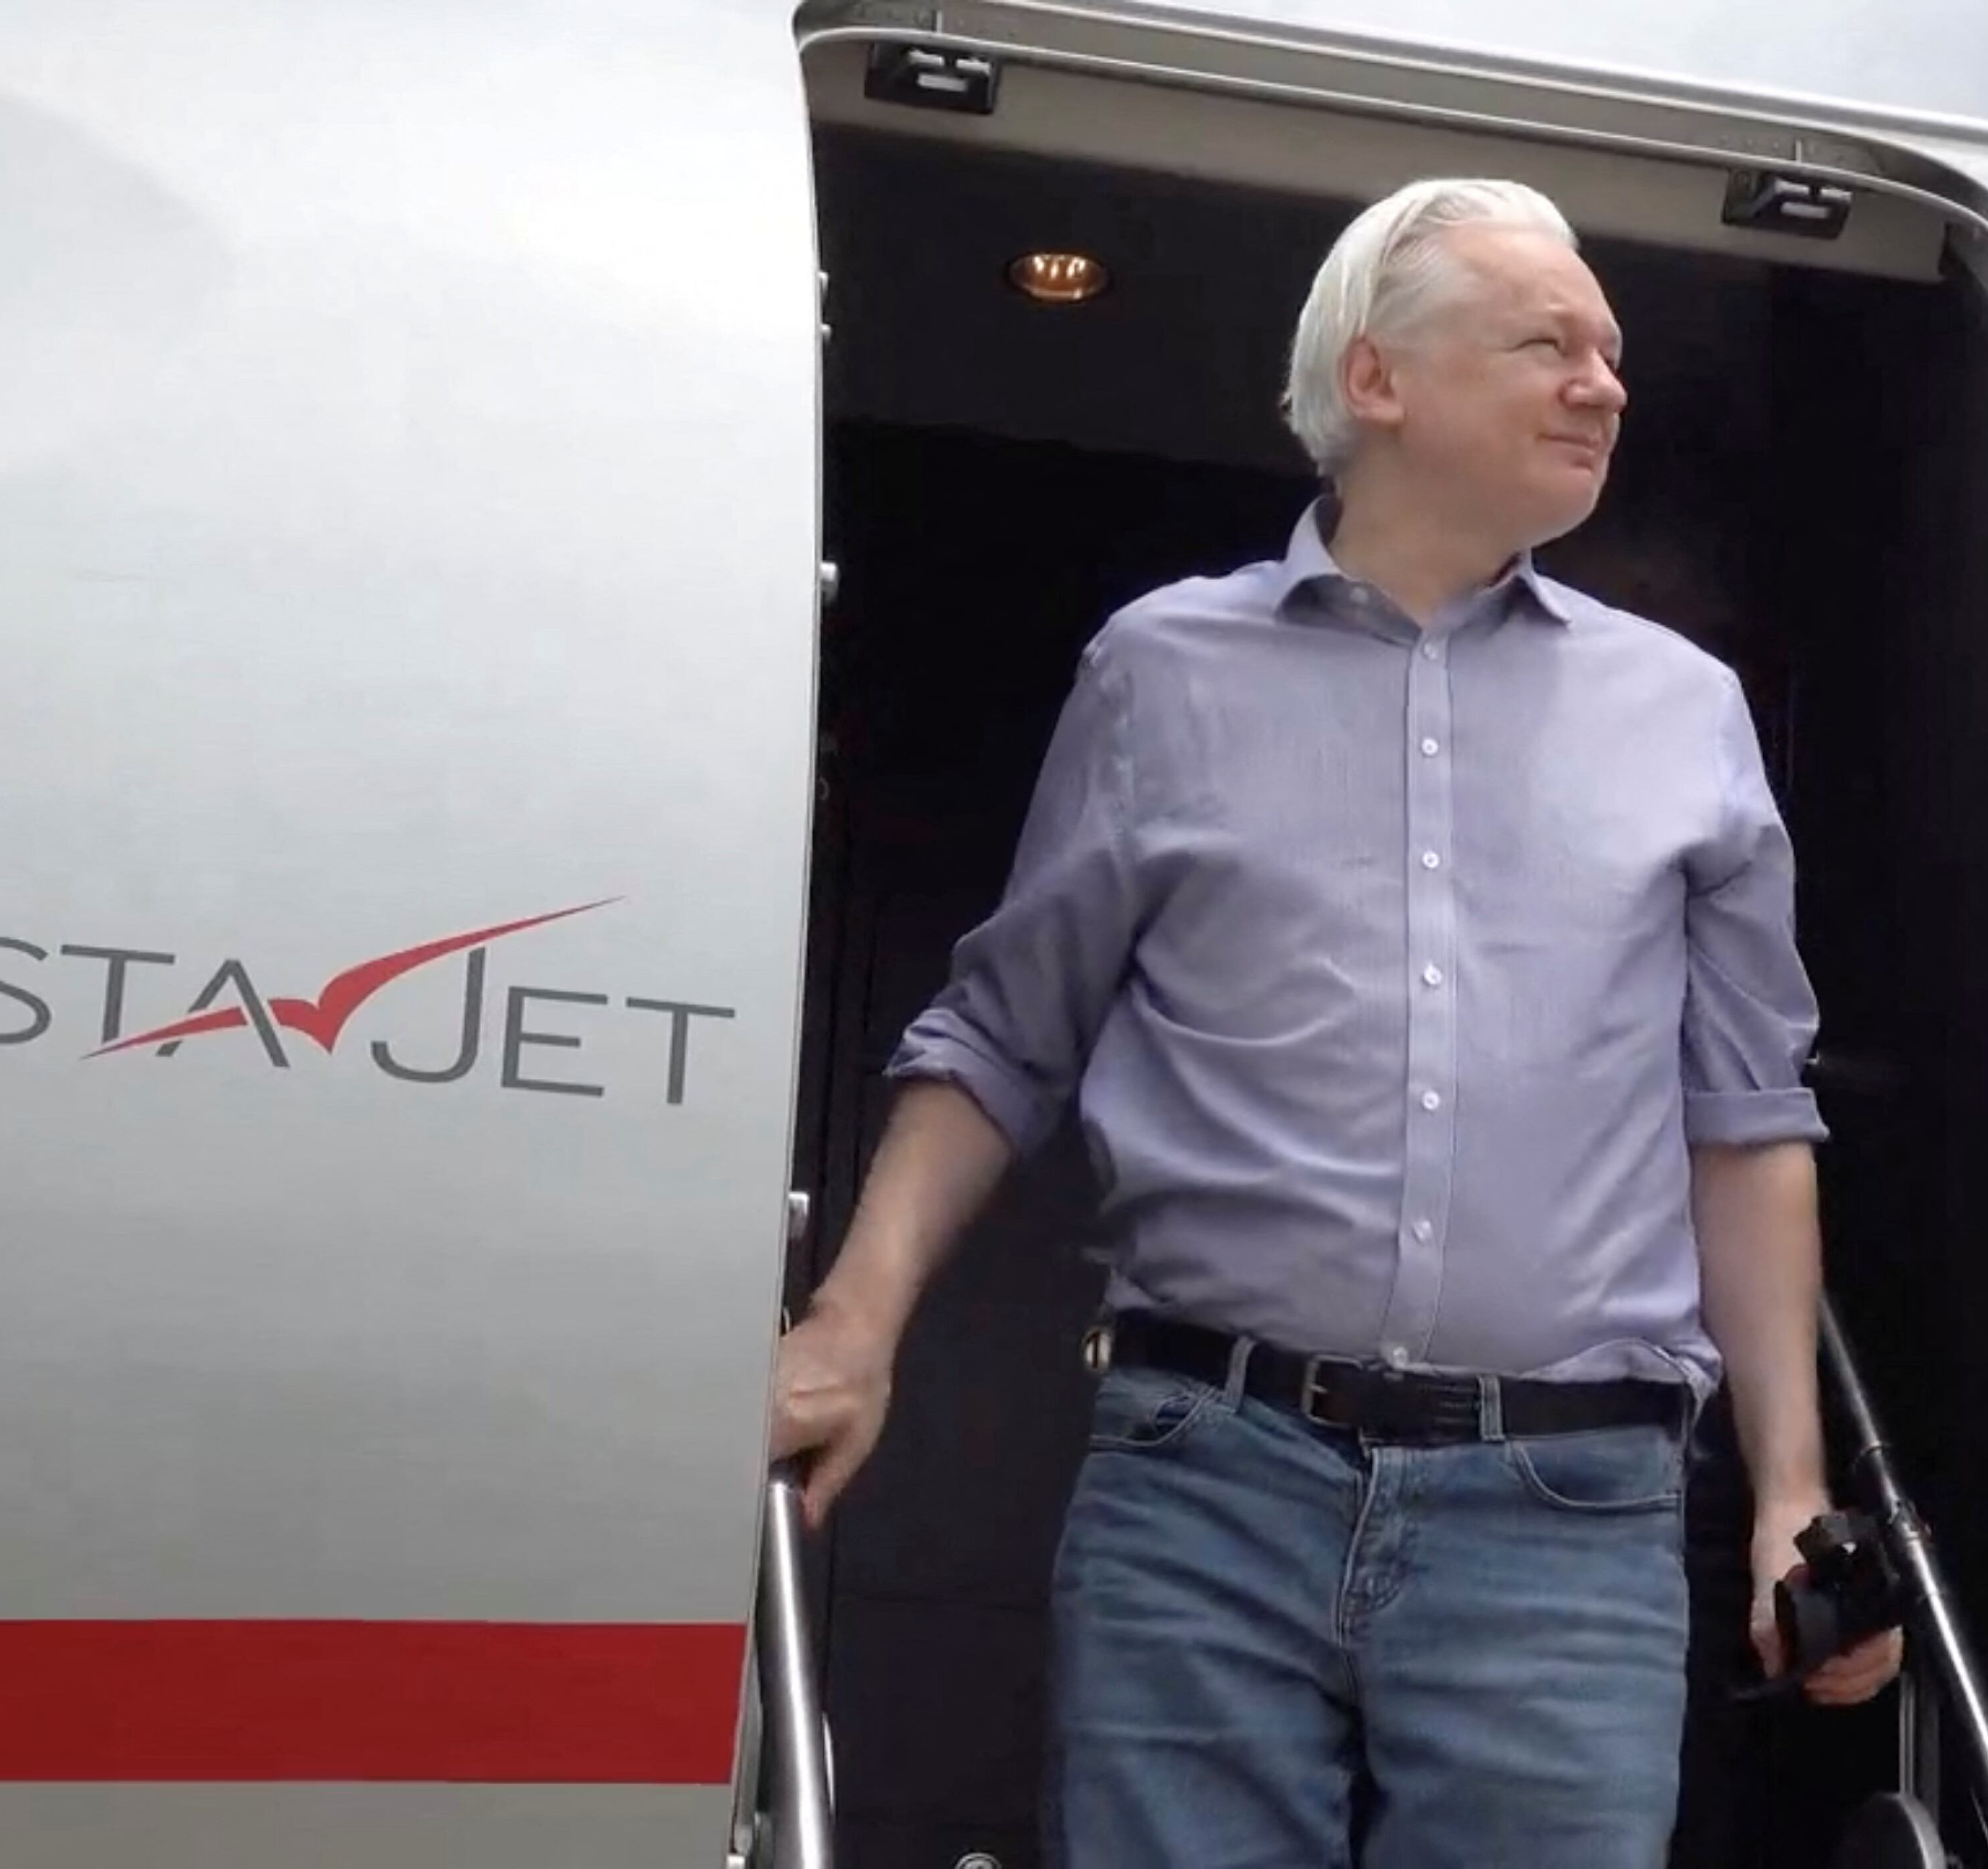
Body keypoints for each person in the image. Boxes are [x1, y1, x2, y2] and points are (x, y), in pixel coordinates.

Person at [765, 174, 1902, 1868]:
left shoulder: (1686, 716)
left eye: (1610, 352)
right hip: (1204, 1485)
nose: (1606, 384)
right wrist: (851, 1327)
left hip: (1568, 1512)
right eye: (1549, 344)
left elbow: (1744, 1119)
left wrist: (1791, 1494)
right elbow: (1003, 1036)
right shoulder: (1161, 673)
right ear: (1378, 380)